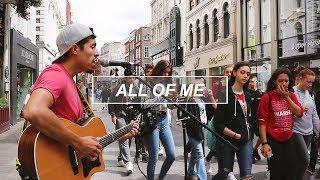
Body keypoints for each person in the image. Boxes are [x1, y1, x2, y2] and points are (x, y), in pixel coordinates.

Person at [21, 24, 139, 176]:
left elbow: (79, 128)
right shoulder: (56, 74)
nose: (97, 54)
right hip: (55, 169)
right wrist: (78, 142)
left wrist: (120, 135)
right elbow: (33, 111)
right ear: (75, 49)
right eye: (92, 46)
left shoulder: (68, 80)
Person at [259, 67, 304, 180]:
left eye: (286, 81)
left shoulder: (292, 95)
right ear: (275, 81)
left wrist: (287, 98)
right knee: (277, 173)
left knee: (291, 171)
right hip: (273, 139)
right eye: (280, 81)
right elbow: (262, 122)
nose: (284, 83)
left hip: (289, 138)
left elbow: (299, 113)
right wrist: (264, 143)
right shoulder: (267, 97)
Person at [213, 62, 253, 180]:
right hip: (227, 142)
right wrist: (235, 135)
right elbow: (218, 124)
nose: (246, 76)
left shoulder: (247, 95)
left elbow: (250, 118)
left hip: (245, 140)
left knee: (247, 176)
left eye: (248, 74)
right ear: (234, 73)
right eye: (242, 72)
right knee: (224, 175)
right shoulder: (224, 94)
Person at [142, 60, 176, 180]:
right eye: (164, 73)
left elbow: (170, 106)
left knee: (172, 155)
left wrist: (174, 100)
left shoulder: (168, 84)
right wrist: (162, 97)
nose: (166, 75)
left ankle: (160, 178)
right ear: (158, 71)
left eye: (168, 73)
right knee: (154, 157)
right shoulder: (148, 83)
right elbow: (144, 104)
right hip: (152, 121)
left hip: (164, 119)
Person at [292, 67, 320, 180]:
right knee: (305, 159)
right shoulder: (291, 92)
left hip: (308, 131)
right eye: (308, 82)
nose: (310, 85)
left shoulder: (310, 94)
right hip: (295, 130)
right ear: (300, 78)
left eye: (312, 83)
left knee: (299, 160)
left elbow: (314, 115)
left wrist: (318, 130)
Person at [108, 68, 136, 175]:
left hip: (130, 116)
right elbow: (111, 101)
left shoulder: (135, 88)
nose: (132, 79)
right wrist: (113, 115)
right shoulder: (118, 88)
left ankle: (120, 159)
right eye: (129, 77)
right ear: (125, 78)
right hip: (120, 115)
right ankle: (129, 162)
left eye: (133, 77)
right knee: (123, 138)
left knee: (127, 138)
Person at [247, 75, 263, 163]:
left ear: (256, 81)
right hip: (249, 120)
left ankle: (255, 149)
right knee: (250, 138)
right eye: (249, 82)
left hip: (259, 119)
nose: (250, 83)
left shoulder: (261, 93)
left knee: (262, 136)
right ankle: (251, 154)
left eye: (252, 81)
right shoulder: (247, 93)